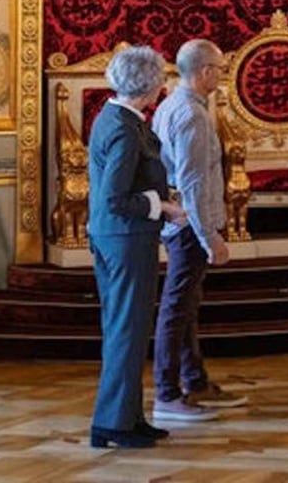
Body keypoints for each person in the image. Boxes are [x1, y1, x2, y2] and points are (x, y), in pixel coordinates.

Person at [87, 45, 186, 449]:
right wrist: (161, 207)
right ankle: (112, 422)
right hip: (124, 239)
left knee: (128, 328)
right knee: (127, 330)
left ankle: (127, 415)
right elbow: (115, 199)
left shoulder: (118, 118)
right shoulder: (123, 130)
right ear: (150, 86)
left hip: (123, 238)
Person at [150, 39, 248, 423]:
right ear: (204, 71)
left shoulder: (173, 106)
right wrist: (211, 238)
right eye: (220, 69)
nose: (221, 76)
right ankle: (167, 393)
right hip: (190, 224)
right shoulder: (190, 115)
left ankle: (195, 380)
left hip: (185, 222)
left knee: (186, 306)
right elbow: (191, 182)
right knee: (177, 307)